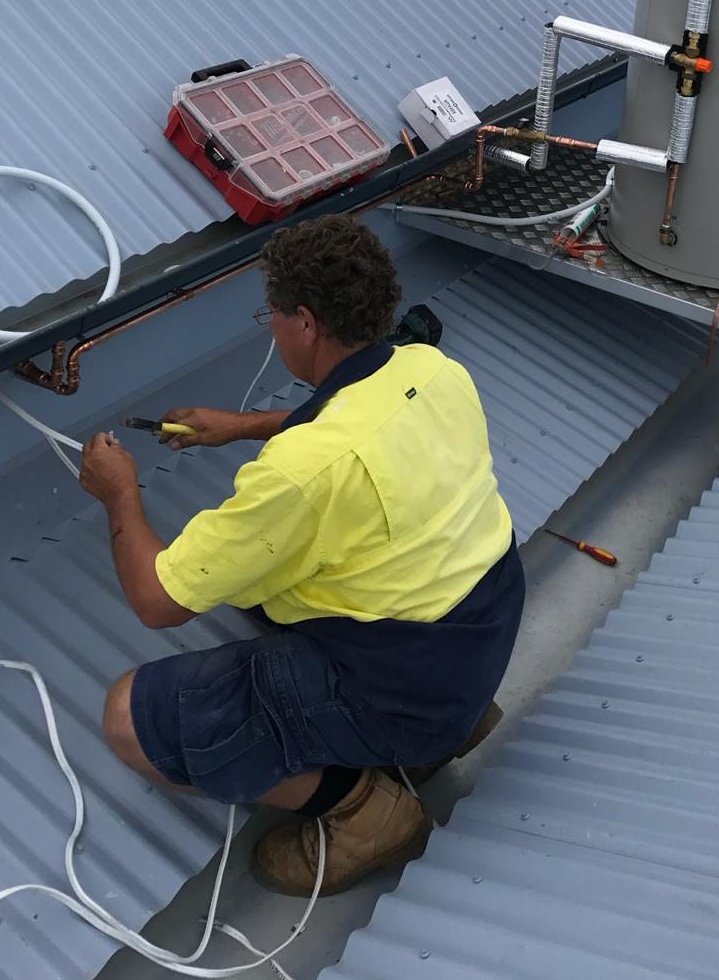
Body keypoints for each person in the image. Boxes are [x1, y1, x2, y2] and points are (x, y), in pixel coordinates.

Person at [79, 214, 524, 897]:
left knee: (129, 720)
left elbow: (157, 601)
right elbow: (352, 416)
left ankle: (365, 810)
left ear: (306, 323)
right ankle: (443, 730)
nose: (273, 329)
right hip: (478, 639)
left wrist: (119, 493)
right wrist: (238, 427)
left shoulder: (300, 475)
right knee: (266, 582)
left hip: (410, 693)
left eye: (274, 316)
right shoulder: (432, 369)